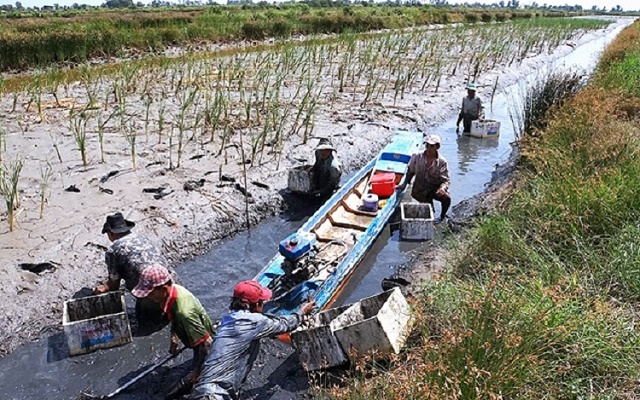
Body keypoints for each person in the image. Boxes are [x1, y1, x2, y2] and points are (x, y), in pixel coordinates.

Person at [189, 280, 316, 400]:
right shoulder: (255, 321)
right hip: (217, 395)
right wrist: (302, 312)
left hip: (200, 391)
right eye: (261, 302)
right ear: (255, 305)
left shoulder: (227, 319)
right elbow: (284, 324)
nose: (263, 305)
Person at [132, 265, 215, 400]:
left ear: (163, 289)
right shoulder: (172, 292)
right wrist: (175, 336)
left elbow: (207, 344)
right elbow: (174, 316)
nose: (148, 297)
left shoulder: (184, 313)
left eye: (150, 293)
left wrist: (198, 371)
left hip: (205, 345)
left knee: (175, 391)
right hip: (192, 333)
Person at [94, 212, 171, 322]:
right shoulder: (142, 238)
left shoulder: (113, 250)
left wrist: (103, 288)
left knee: (145, 322)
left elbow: (114, 285)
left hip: (151, 293)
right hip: (171, 283)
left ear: (111, 234)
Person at [398, 134, 451, 223]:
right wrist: (404, 184)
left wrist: (442, 188)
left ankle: (442, 217)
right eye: (427, 145)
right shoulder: (417, 156)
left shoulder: (442, 162)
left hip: (434, 189)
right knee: (429, 212)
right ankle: (431, 211)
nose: (428, 148)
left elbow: (446, 180)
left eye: (431, 146)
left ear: (437, 147)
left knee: (447, 199)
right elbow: (410, 172)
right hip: (420, 189)